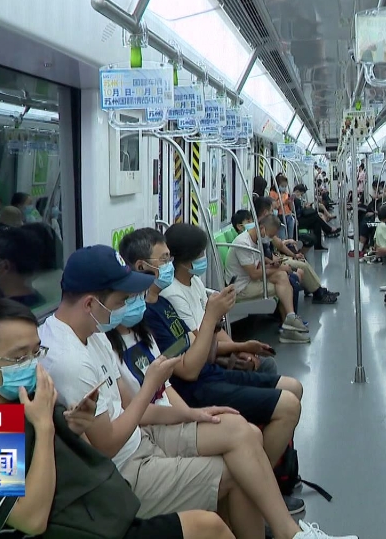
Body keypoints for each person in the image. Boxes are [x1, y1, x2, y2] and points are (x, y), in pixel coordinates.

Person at [39, 245, 352, 539]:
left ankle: (289, 532)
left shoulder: (93, 334)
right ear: (90, 304)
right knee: (240, 472)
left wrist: (190, 414)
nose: (125, 306)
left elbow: (127, 405)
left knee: (240, 432)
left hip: (142, 437)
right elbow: (106, 445)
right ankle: (287, 532)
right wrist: (151, 385)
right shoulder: (68, 363)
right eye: (121, 300)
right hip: (124, 467)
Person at [0, 299, 236, 539]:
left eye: (36, 352)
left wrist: (71, 429)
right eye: (18, 357)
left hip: (89, 522)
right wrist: (45, 427)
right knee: (207, 528)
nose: (32, 364)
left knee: (209, 522)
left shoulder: (29, 403)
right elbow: (32, 520)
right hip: (69, 528)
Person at [162, 223, 278, 375]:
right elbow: (198, 342)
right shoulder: (173, 295)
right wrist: (241, 347)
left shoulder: (194, 280)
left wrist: (237, 350)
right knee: (267, 367)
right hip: (203, 359)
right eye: (200, 254)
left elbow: (214, 327)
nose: (203, 258)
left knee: (265, 364)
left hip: (213, 347)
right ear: (184, 258)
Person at [225, 212, 312, 343]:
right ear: (262, 228)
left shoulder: (255, 239)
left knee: (282, 276)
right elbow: (254, 274)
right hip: (240, 288)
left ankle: (290, 320)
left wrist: (272, 265)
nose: (270, 239)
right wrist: (277, 268)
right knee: (283, 286)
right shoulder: (243, 243)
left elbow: (258, 265)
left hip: (250, 281)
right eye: (270, 235)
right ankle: (289, 325)